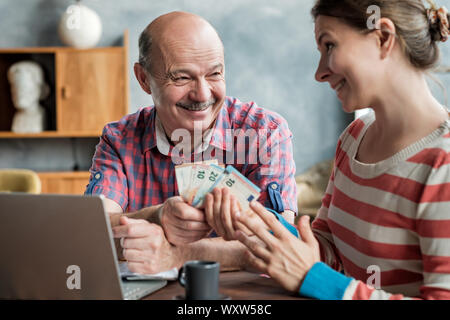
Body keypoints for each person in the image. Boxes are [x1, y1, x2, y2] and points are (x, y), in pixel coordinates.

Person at [228, 0, 450, 300]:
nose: (319, 73)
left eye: (329, 45)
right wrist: (256, 224)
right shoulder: (354, 137)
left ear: (383, 38)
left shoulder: (442, 166)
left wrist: (316, 280)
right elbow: (328, 248)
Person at [84, 11, 298, 274]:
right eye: (182, 77)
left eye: (214, 74)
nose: (202, 94)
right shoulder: (119, 139)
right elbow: (91, 233)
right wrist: (156, 217)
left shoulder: (264, 132)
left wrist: (178, 254)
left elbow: (282, 244)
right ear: (143, 79)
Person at [7, 61, 49, 133]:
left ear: (39, 89)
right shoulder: (16, 118)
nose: (18, 93)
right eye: (14, 87)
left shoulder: (41, 116)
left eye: (24, 87)